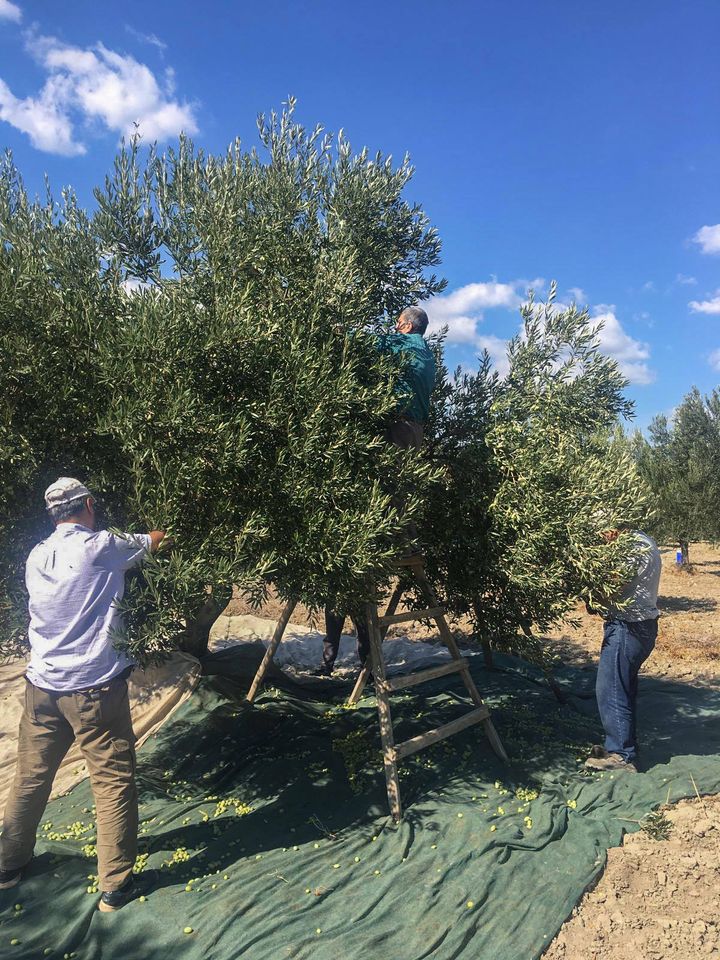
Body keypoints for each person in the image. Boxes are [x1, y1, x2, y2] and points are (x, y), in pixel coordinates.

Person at [0, 478, 166, 912]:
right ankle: (115, 885)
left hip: (41, 688)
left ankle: (7, 865)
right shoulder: (102, 547)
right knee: (112, 782)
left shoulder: (36, 554)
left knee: (30, 778)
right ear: (89, 504)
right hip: (94, 691)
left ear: (52, 514)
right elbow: (154, 540)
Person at [317, 305, 436, 676]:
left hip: (400, 426)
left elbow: (366, 343)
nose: (395, 327)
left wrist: (334, 328)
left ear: (407, 325)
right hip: (415, 428)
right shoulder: (426, 354)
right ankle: (406, 538)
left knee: (390, 484)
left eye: (398, 322)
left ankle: (392, 535)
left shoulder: (404, 345)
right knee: (402, 486)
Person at [585, 528, 662, 773]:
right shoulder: (644, 540)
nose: (602, 536)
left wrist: (588, 588)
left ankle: (621, 755)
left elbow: (613, 586)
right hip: (642, 626)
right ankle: (627, 745)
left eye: (603, 530)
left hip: (628, 628)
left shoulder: (631, 548)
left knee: (611, 689)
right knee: (623, 687)